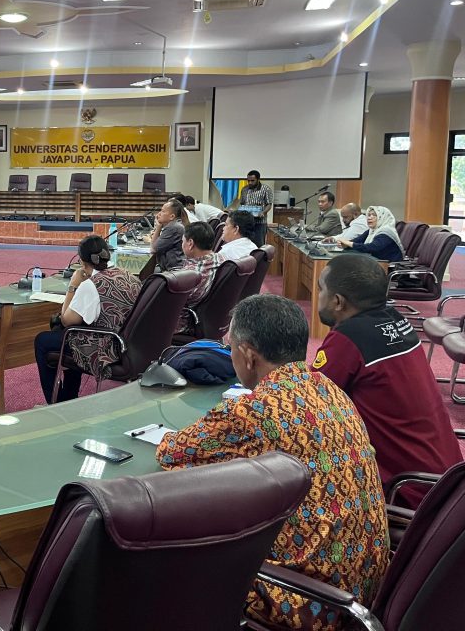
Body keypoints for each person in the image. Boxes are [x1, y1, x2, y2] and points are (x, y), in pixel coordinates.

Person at [157, 294, 389, 631]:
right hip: (366, 582)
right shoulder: (329, 388)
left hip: (309, 602)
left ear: (249, 355)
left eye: (231, 347)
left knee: (167, 558)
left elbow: (171, 453)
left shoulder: (251, 411)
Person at [314, 253, 462, 507]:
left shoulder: (349, 338)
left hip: (409, 493)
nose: (319, 297)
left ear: (337, 301)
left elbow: (309, 401)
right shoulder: (398, 321)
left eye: (321, 290)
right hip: (448, 480)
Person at [33, 235, 143, 404]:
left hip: (105, 349)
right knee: (69, 335)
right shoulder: (128, 276)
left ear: (82, 262)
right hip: (130, 345)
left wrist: (73, 285)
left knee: (43, 340)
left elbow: (66, 320)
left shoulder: (90, 285)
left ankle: (56, 403)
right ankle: (68, 398)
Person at [176, 221, 222, 334]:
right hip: (209, 319)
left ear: (190, 243)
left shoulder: (192, 274)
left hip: (183, 324)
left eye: (183, 241)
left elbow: (174, 301)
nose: (182, 245)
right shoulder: (219, 258)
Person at [336, 205, 404, 261]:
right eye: (368, 215)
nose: (369, 218)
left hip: (387, 266)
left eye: (374, 215)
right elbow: (357, 241)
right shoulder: (371, 231)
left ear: (383, 217)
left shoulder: (386, 232)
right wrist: (345, 244)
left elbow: (372, 247)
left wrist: (349, 243)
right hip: (375, 262)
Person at [148, 198, 186, 271]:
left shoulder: (174, 228)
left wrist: (158, 227)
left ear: (172, 216)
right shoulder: (174, 225)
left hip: (174, 271)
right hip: (170, 269)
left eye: (163, 211)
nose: (159, 214)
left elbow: (153, 249)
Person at [237, 170, 272, 246]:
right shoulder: (244, 189)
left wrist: (263, 212)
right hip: (246, 223)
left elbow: (269, 204)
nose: (250, 183)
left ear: (258, 179)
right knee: (245, 245)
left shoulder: (266, 189)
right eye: (248, 180)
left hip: (259, 223)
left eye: (252, 181)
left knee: (258, 246)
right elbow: (242, 204)